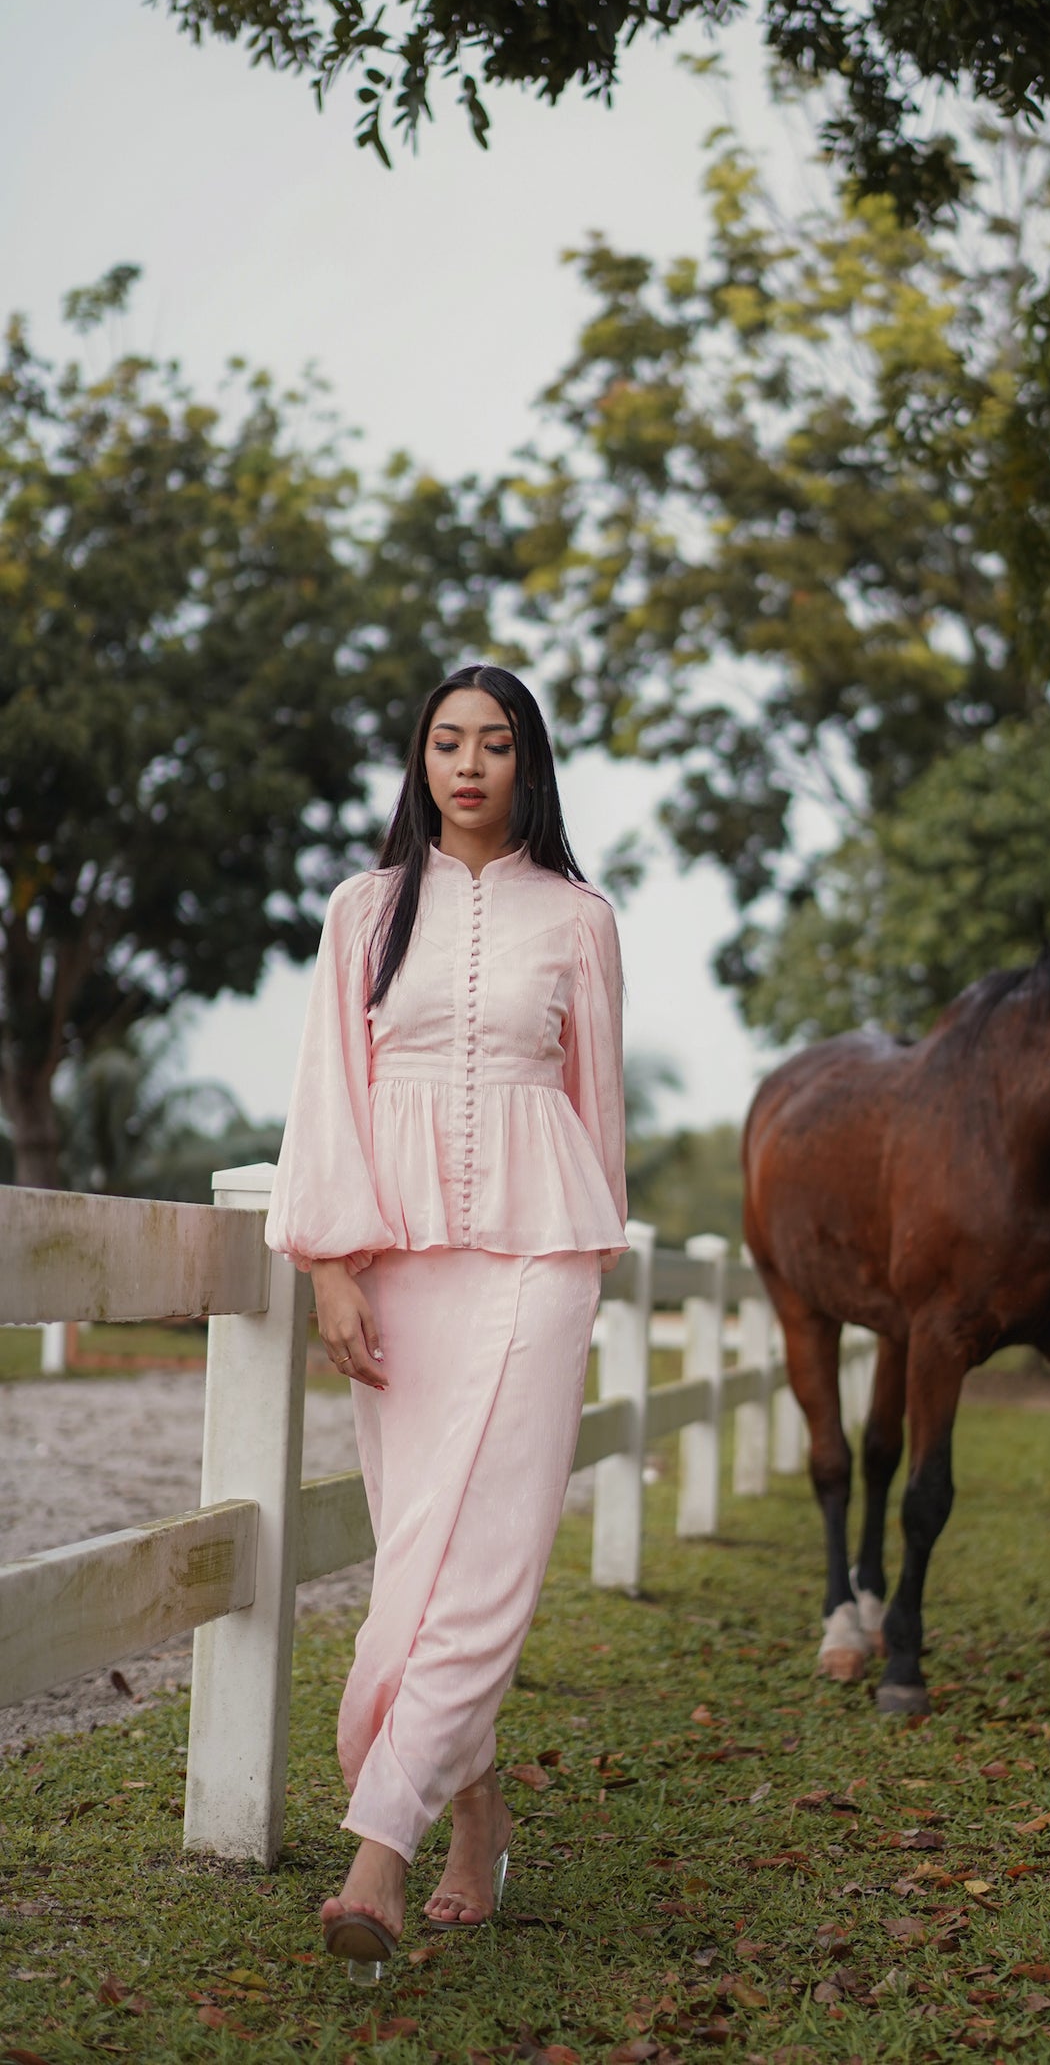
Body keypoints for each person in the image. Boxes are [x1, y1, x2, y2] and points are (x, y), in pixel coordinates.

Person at [265, 664, 626, 1971]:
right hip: (397, 1261)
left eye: (494, 744)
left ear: (528, 763)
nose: (468, 765)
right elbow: (329, 1093)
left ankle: (380, 1858)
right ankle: (474, 1809)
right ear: (419, 763)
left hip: (541, 1254)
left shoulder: (580, 919)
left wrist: (591, 1247)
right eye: (445, 743)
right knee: (416, 1561)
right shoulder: (364, 911)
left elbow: (598, 1107)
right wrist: (329, 1266)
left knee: (490, 1558)